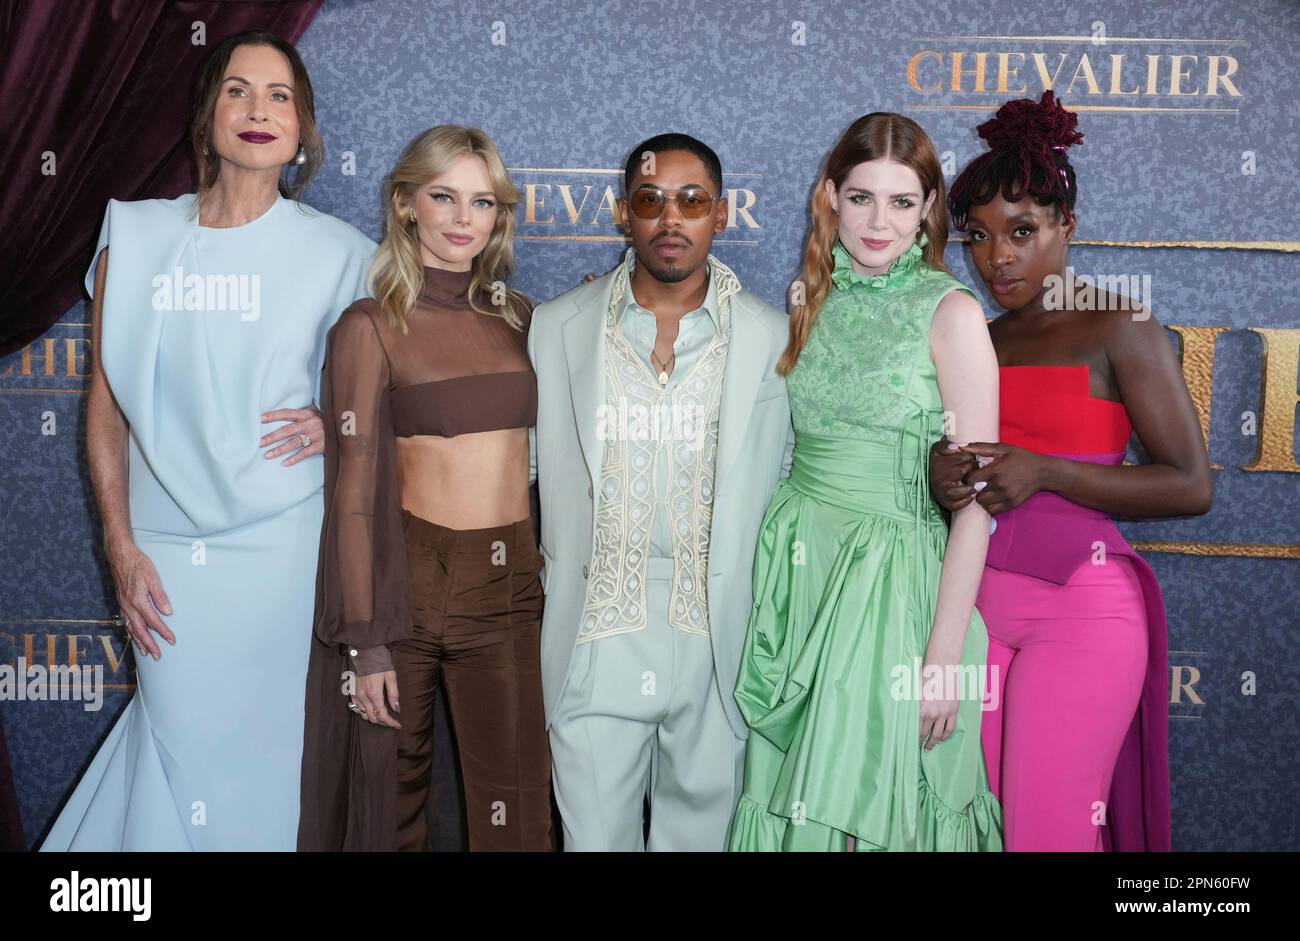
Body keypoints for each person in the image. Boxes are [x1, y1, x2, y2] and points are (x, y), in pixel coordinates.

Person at [40, 32, 375, 851]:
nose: (258, 111)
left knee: (271, 765)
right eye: (237, 91)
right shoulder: (138, 238)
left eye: (279, 96)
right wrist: (119, 548)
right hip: (165, 555)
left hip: (287, 555)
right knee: (178, 745)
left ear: (303, 130)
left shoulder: (344, 256)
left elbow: (393, 401)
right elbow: (107, 409)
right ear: (206, 116)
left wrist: (339, 427)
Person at [930, 91, 1211, 851]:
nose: (999, 258)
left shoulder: (1121, 326)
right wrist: (940, 476)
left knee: (1047, 831)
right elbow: (948, 467)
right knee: (967, 827)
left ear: (1067, 228)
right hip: (971, 611)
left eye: (1022, 231)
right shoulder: (969, 336)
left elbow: (1191, 483)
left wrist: (1046, 472)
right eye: (978, 237)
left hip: (1084, 610)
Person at [729, 113, 1002, 851]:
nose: (879, 221)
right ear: (829, 197)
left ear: (929, 210)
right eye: (860, 198)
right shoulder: (805, 299)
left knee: (878, 816)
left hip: (894, 586)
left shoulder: (952, 313)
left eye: (902, 202)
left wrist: (943, 658)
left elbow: (979, 502)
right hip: (802, 572)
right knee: (794, 803)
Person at [530, 133, 794, 850]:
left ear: (723, 213)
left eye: (692, 200)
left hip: (717, 639)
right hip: (593, 637)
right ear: (623, 213)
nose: (670, 219)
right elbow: (501, 458)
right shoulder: (555, 329)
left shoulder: (777, 340)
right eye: (650, 200)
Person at [298, 126, 552, 852]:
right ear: (408, 205)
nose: (463, 218)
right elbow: (351, 492)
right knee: (387, 804)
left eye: (482, 201)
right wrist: (366, 644)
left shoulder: (524, 317)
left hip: (508, 585)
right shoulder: (369, 326)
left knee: (517, 809)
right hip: (405, 582)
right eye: (444, 196)